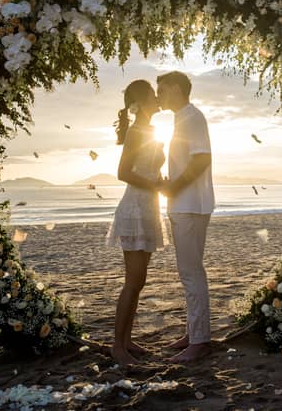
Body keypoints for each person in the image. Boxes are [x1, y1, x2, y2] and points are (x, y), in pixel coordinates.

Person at [105, 79, 168, 366]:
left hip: (149, 208)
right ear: (142, 102)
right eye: (154, 96)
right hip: (134, 208)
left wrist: (161, 183)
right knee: (133, 281)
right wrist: (155, 185)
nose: (158, 100)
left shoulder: (152, 131)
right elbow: (122, 172)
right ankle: (117, 346)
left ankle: (127, 340)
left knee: (139, 280)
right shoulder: (135, 132)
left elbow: (151, 170)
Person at [156, 71, 215, 363]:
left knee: (191, 273)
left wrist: (172, 187)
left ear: (177, 89)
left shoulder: (193, 117)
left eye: (162, 89)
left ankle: (200, 341)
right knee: (189, 272)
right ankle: (194, 333)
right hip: (186, 204)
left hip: (189, 205)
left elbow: (202, 158)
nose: (159, 95)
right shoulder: (182, 118)